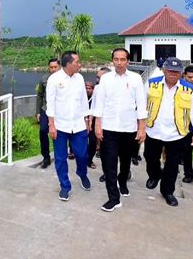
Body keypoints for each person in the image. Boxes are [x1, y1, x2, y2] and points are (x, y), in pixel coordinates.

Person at [92, 48, 147, 212]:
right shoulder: (106, 79)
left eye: (123, 59)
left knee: (125, 161)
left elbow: (141, 104)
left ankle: (122, 181)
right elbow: (99, 103)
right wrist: (97, 125)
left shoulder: (136, 79)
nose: (119, 62)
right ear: (112, 61)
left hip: (128, 128)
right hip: (109, 128)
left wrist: (142, 128)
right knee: (109, 163)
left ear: (128, 61)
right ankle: (113, 198)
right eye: (116, 59)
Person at [144, 57, 193, 207]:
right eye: (170, 70)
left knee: (172, 165)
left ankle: (167, 191)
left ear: (181, 73)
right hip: (153, 130)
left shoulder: (188, 89)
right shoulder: (152, 83)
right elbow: (141, 103)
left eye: (176, 71)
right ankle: (155, 174)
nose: (173, 74)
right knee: (150, 157)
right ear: (164, 70)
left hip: (176, 133)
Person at [47, 51, 91, 201]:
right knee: (60, 158)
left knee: (82, 154)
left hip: (78, 125)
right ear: (68, 63)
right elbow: (50, 104)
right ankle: (65, 186)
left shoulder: (80, 78)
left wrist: (87, 120)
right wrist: (51, 125)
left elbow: (84, 100)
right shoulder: (54, 79)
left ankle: (82, 173)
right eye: (77, 62)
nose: (80, 64)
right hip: (60, 125)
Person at [35, 58, 61, 168]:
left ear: (59, 67)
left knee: (59, 133)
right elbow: (40, 95)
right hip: (46, 109)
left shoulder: (64, 79)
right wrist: (38, 112)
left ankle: (60, 155)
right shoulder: (44, 79)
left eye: (55, 67)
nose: (53, 69)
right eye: (51, 67)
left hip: (60, 111)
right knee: (43, 131)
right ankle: (46, 157)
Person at [86, 80, 98, 169]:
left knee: (93, 141)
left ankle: (89, 160)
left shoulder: (96, 98)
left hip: (92, 122)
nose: (87, 90)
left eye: (89, 88)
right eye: (86, 88)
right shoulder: (80, 97)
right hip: (81, 122)